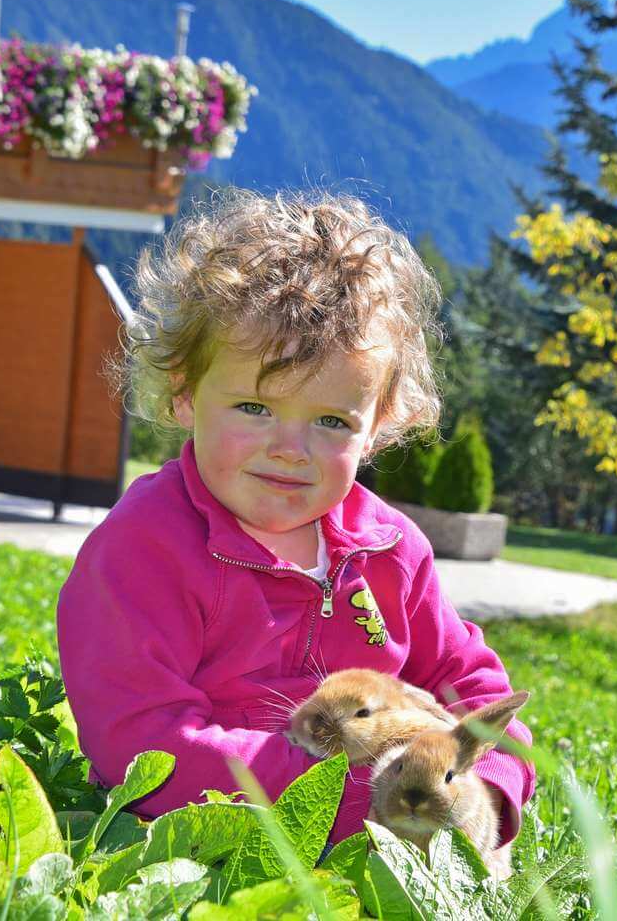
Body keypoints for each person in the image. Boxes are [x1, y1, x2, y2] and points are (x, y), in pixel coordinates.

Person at [57, 188, 534, 849]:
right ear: (185, 391)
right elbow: (142, 745)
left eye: (332, 422)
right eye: (255, 408)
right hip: (217, 847)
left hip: (402, 838)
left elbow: (477, 692)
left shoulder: (390, 551)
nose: (290, 448)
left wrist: (489, 792)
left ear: (379, 427)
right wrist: (354, 804)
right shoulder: (143, 549)